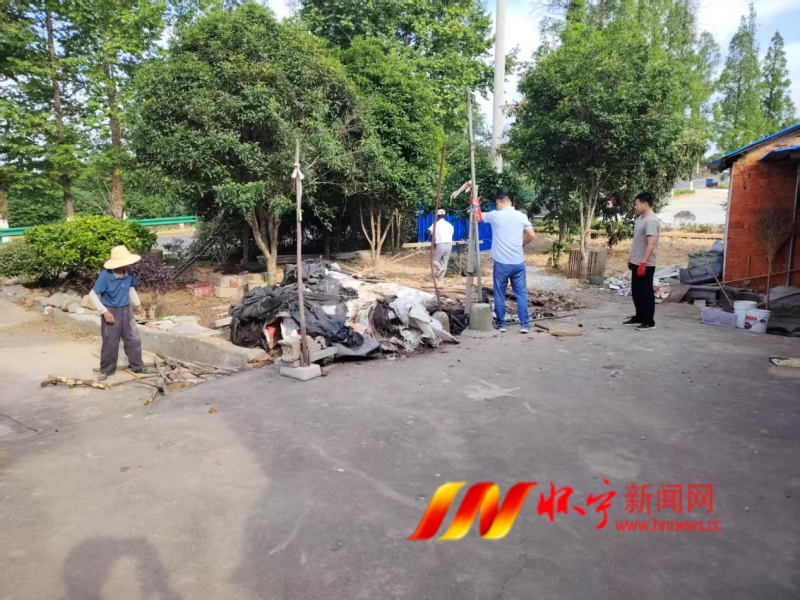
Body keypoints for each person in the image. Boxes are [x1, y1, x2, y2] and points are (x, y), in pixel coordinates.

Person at [89, 246, 155, 381]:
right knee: (110, 342)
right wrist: (104, 311)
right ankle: (106, 370)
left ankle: (138, 366)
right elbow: (93, 294)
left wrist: (138, 304)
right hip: (111, 311)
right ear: (118, 264)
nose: (129, 264)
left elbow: (131, 288)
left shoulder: (128, 273)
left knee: (133, 339)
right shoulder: (105, 276)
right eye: (126, 262)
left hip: (126, 309)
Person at [480, 191, 536, 333]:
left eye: (496, 204)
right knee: (521, 295)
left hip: (501, 263)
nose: (496, 206)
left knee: (499, 295)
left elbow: (478, 216)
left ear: (499, 203)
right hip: (518, 262)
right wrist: (522, 244)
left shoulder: (495, 215)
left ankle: (501, 325)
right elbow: (531, 235)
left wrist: (475, 204)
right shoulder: (521, 216)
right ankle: (524, 326)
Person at [625, 191, 661, 331]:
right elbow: (638, 242)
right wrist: (632, 258)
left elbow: (651, 244)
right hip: (637, 261)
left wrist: (644, 263)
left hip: (645, 263)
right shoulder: (640, 219)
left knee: (645, 292)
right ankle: (639, 316)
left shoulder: (651, 221)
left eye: (637, 204)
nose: (635, 207)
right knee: (637, 291)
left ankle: (649, 321)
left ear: (645, 204)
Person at [425, 208, 455, 283]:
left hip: (441, 244)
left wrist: (426, 240)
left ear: (437, 216)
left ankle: (440, 268)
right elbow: (452, 235)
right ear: (444, 216)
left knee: (433, 260)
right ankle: (441, 280)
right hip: (449, 245)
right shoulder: (450, 225)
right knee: (444, 262)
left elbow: (427, 232)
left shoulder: (435, 224)